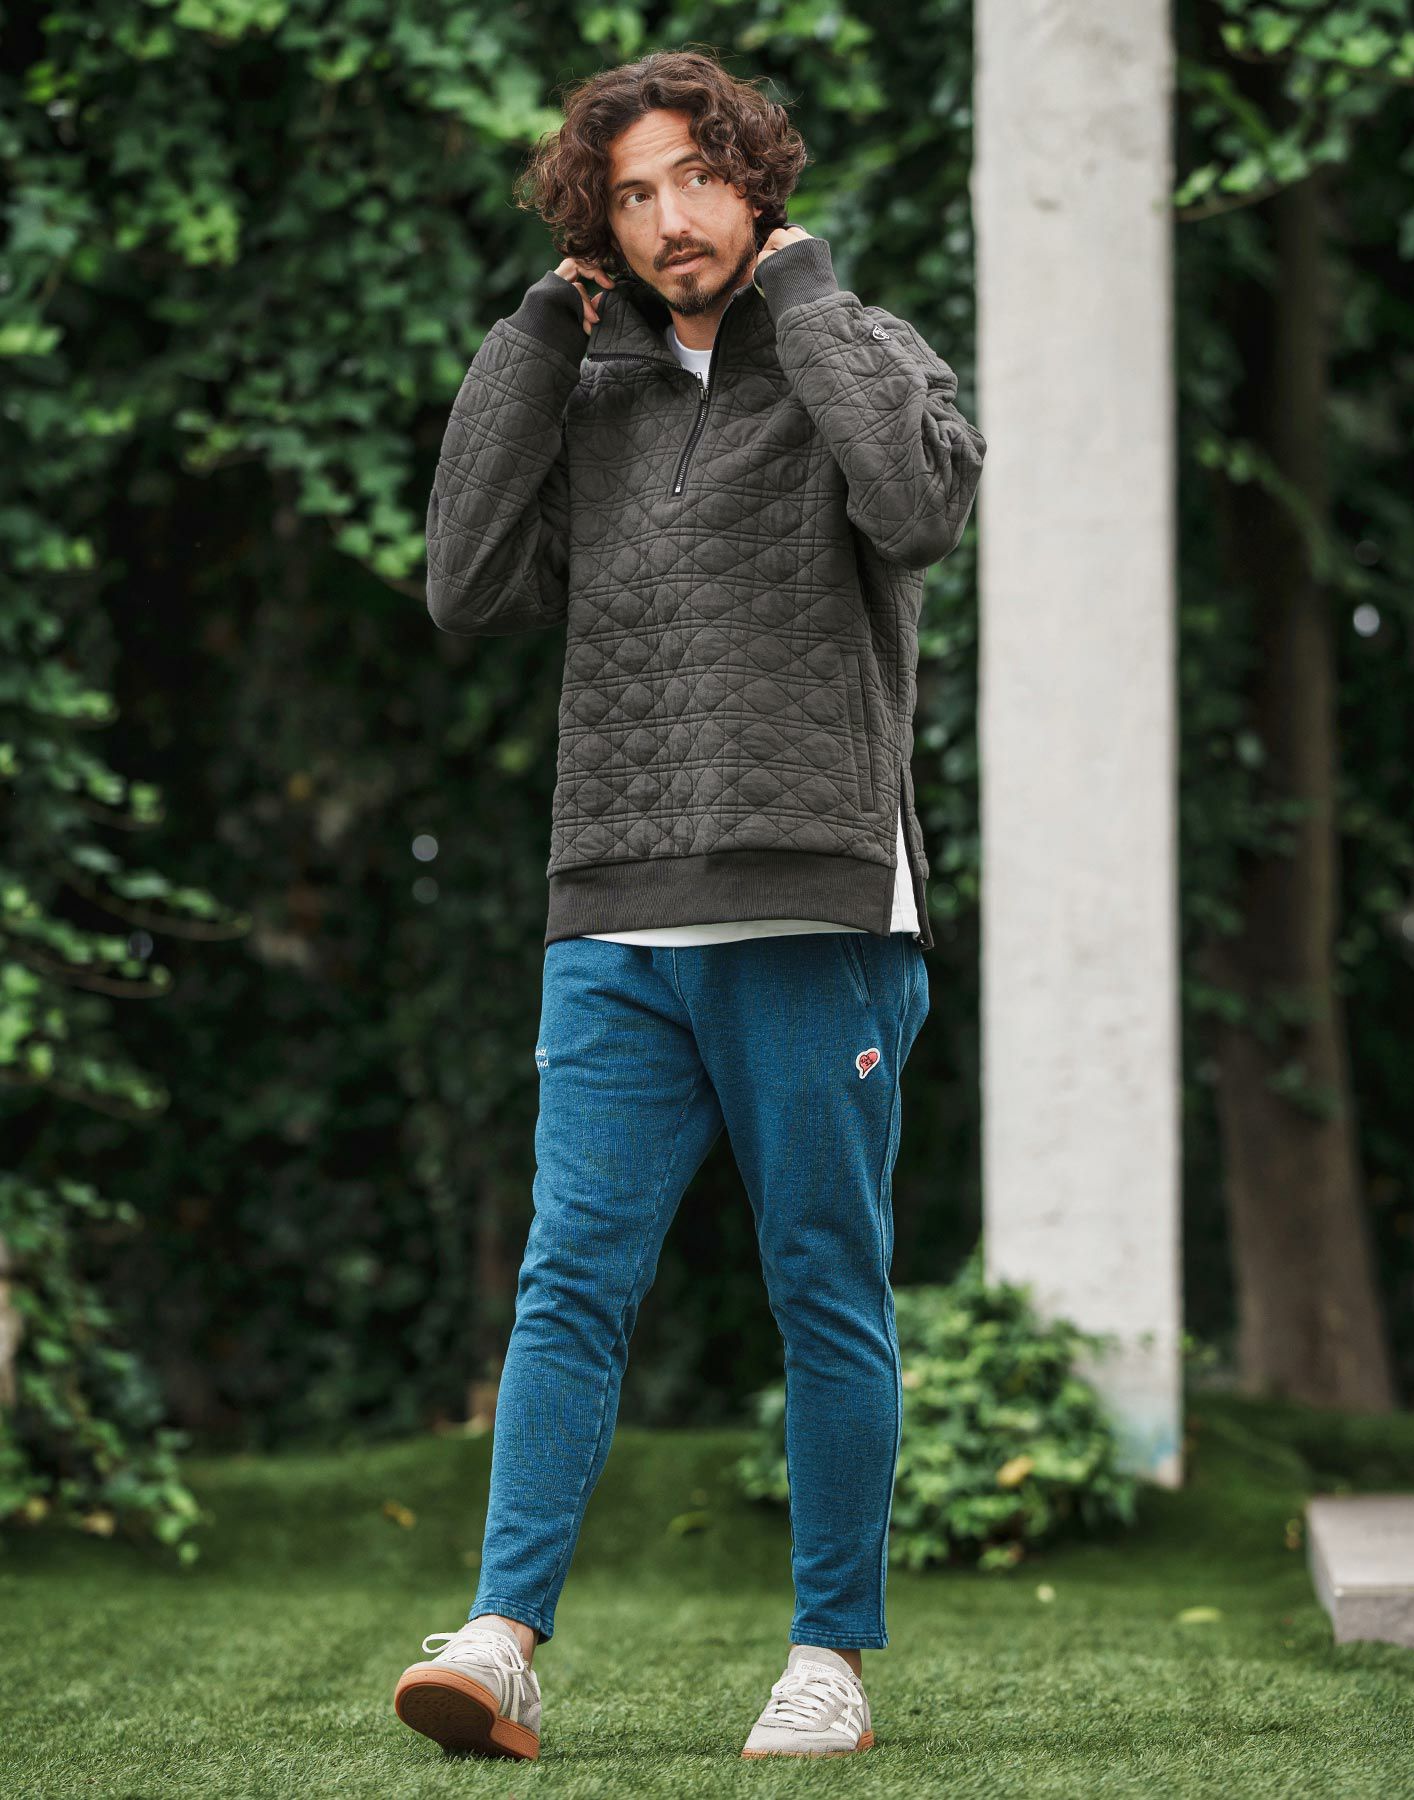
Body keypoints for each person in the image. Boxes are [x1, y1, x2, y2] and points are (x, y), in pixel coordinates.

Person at [393, 46, 985, 1763]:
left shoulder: (862, 346)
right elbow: (463, 581)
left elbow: (919, 508)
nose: (670, 219)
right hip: (614, 909)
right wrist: (533, 338)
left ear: (756, 182)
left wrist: (811, 297)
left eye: (697, 178)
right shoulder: (590, 391)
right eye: (634, 193)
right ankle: (500, 1637)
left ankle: (831, 1657)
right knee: (568, 1282)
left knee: (826, 1288)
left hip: (815, 908)